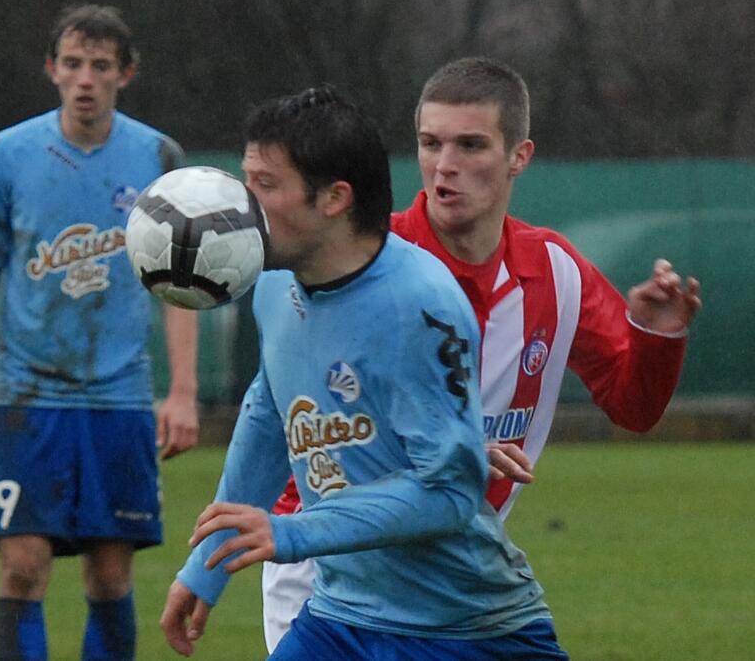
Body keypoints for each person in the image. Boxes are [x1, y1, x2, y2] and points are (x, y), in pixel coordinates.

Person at [260, 56, 703, 652]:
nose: (445, 167)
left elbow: (634, 409)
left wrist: (657, 338)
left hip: (456, 576)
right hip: (327, 563)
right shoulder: (364, 264)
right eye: (430, 143)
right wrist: (457, 449)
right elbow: (302, 415)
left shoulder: (555, 273)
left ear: (519, 155)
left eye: (471, 145)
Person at [160, 85, 568, 659]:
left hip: (466, 631)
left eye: (265, 185)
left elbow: (450, 489)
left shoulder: (420, 304)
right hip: (338, 617)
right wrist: (207, 566)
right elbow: (271, 415)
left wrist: (291, 532)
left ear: (334, 199)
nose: (242, 204)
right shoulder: (275, 283)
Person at [0, 4, 199, 660]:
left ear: (125, 74)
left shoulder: (157, 156)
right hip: (28, 395)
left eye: (101, 66)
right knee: (22, 564)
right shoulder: (9, 155)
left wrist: (184, 392)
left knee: (110, 573)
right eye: (73, 64)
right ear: (51, 69)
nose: (86, 79)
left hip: (120, 399)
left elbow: (180, 283)